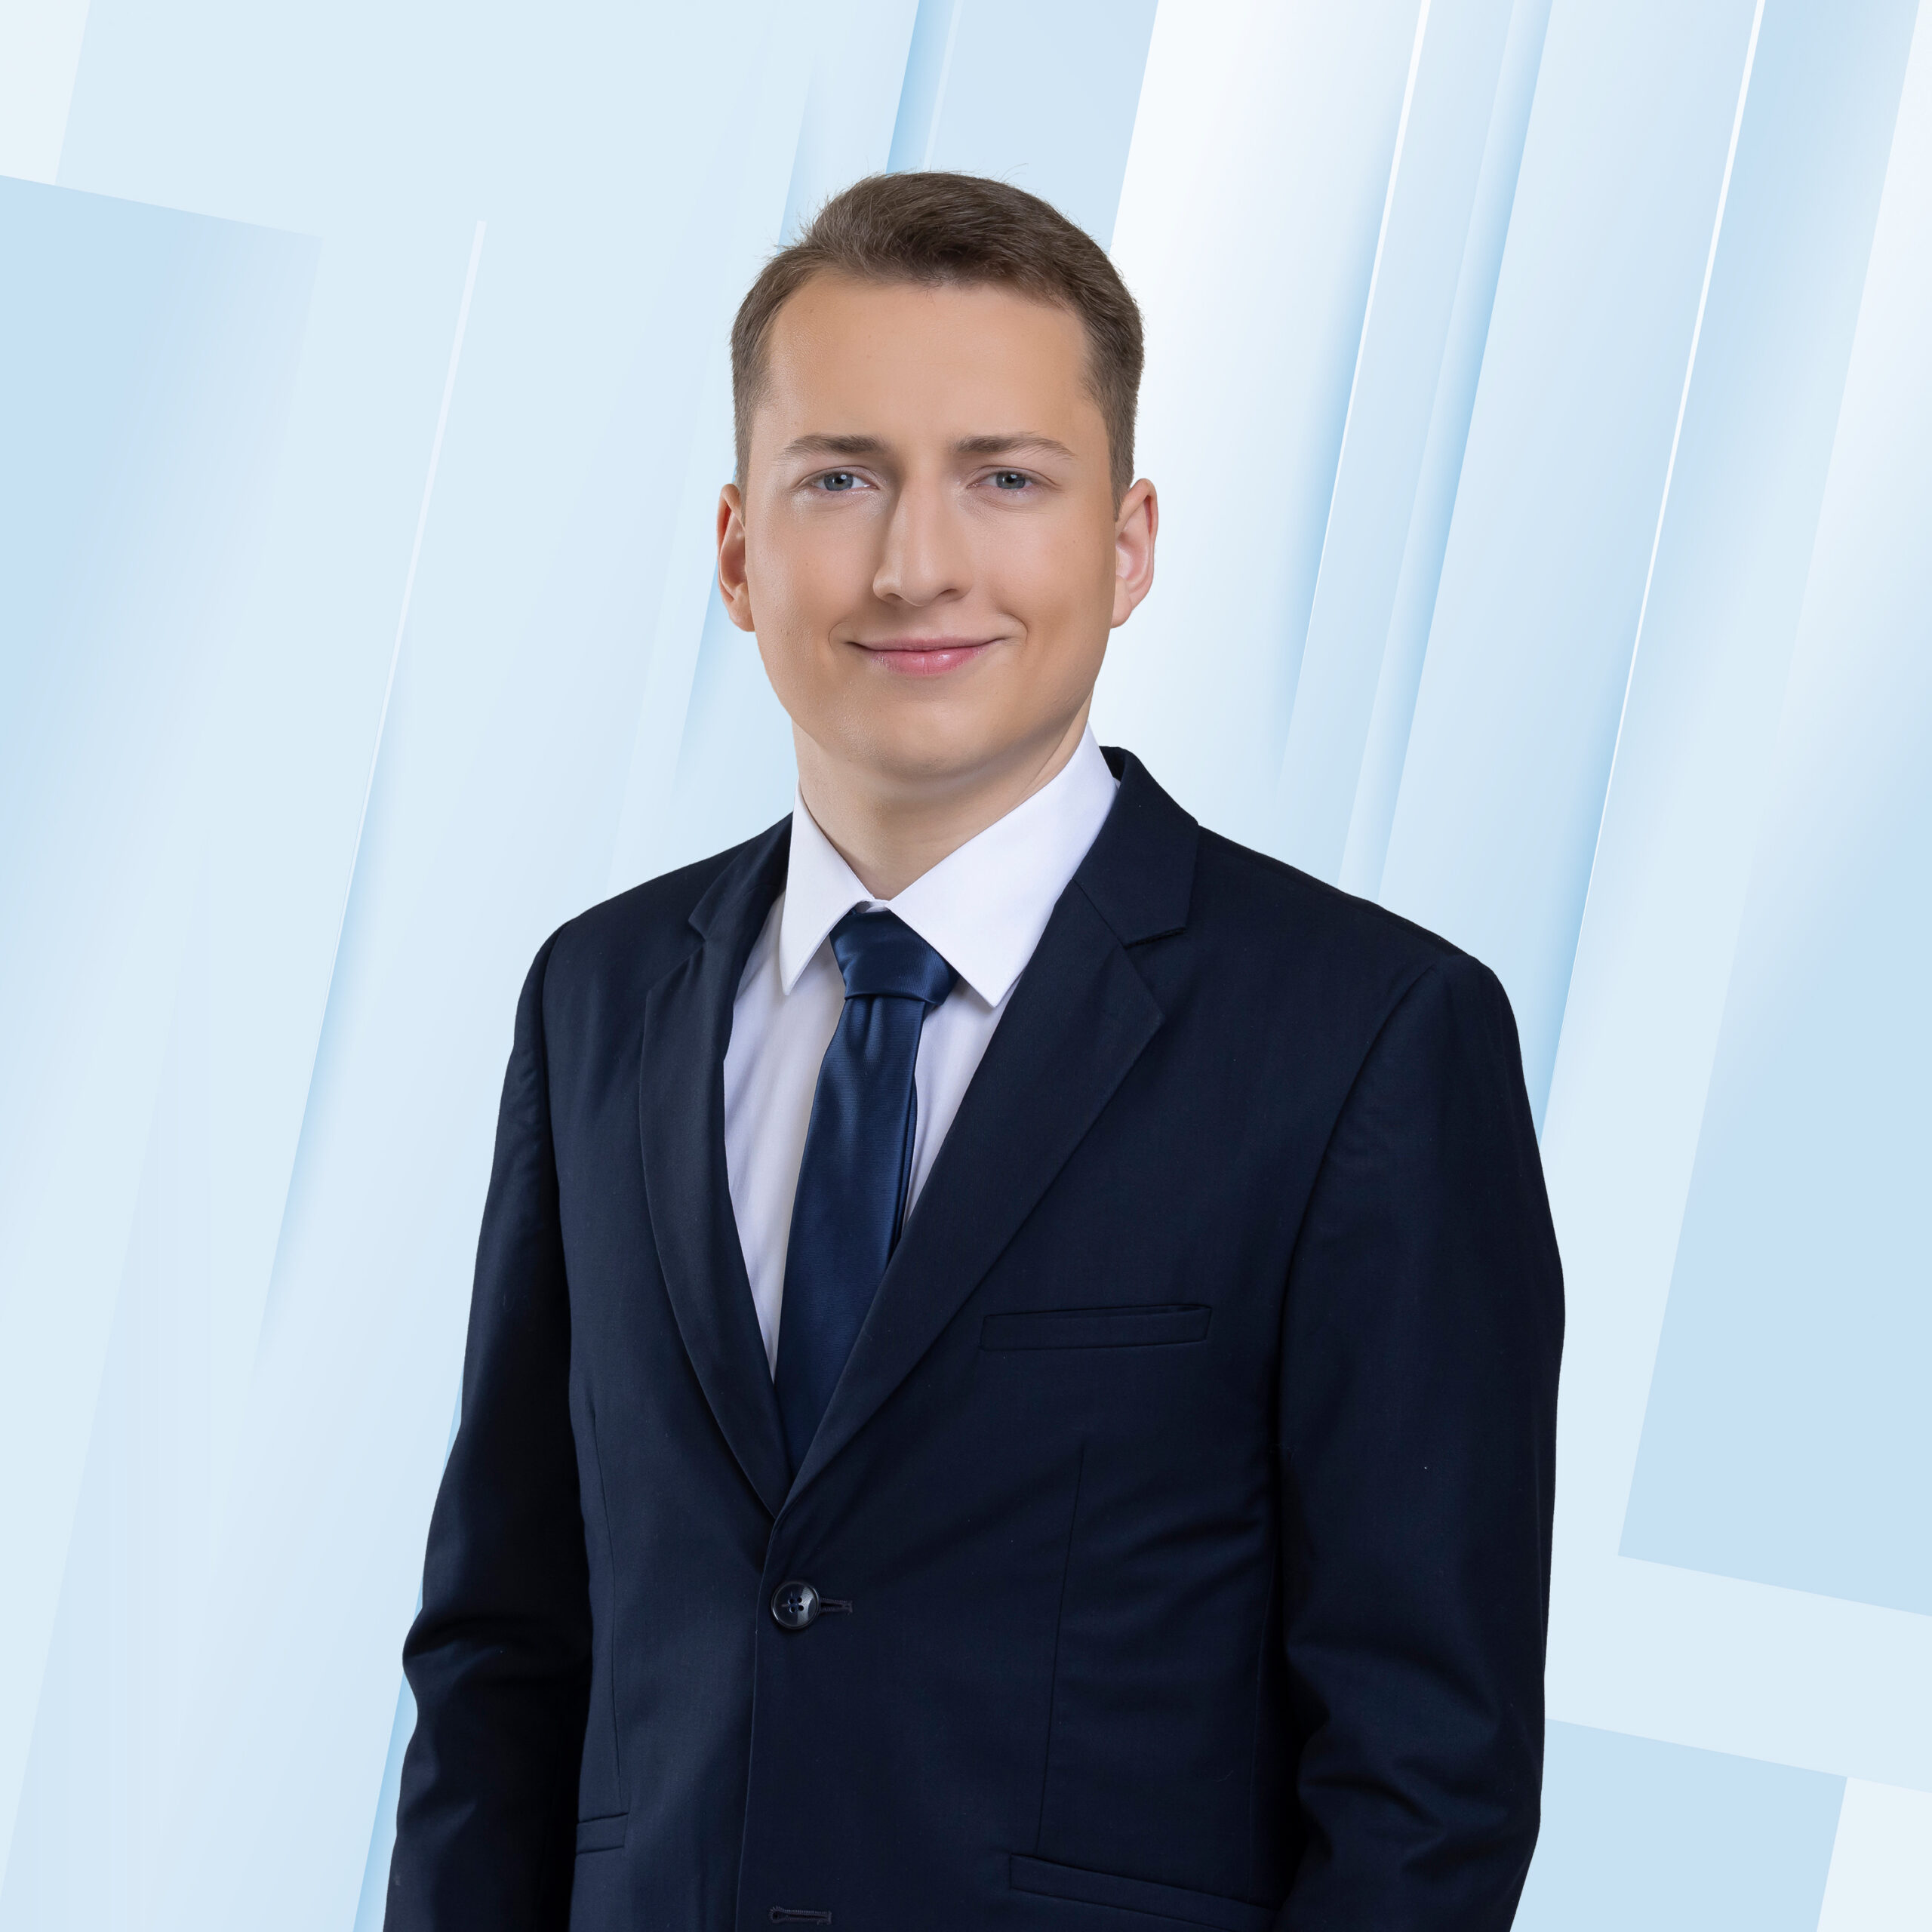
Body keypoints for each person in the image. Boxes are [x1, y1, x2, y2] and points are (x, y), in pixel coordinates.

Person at [385, 172, 1564, 1932]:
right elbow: (504, 1655)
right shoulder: (599, 996)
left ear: (1127, 543)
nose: (914, 562)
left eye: (1004, 478)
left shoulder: (1365, 1039)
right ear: (736, 549)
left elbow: (1422, 1771)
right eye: (839, 477)